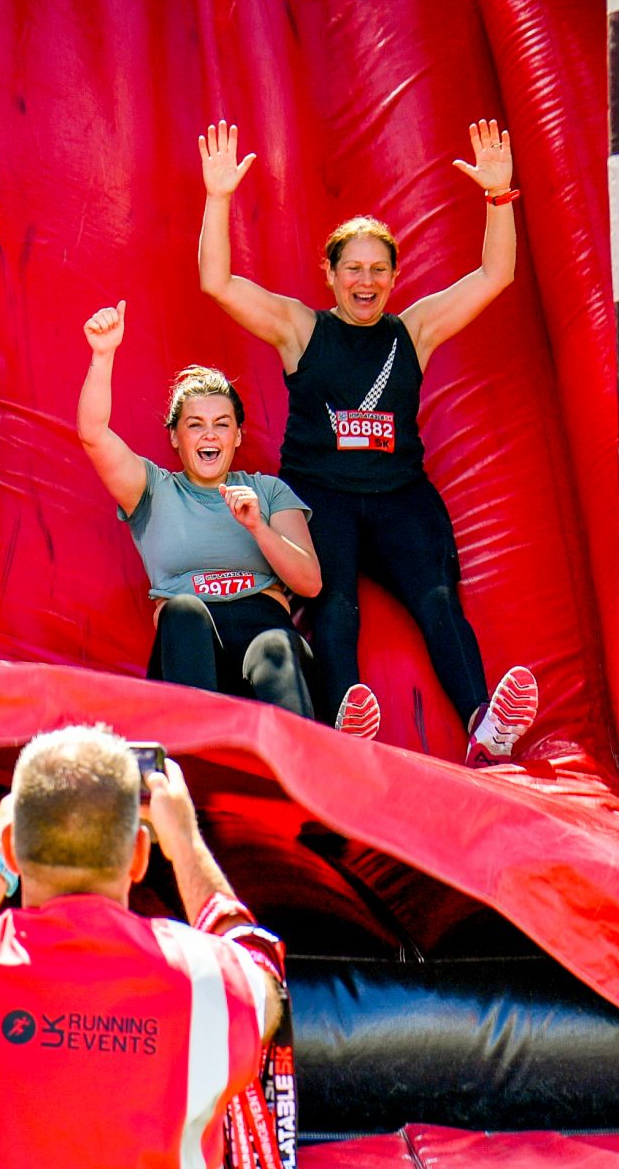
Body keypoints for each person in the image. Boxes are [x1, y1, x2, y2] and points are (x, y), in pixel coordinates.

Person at [197, 117, 540, 760]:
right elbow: (217, 283)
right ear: (330, 275)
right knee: (336, 604)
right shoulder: (302, 329)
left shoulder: (414, 331)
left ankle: (484, 728)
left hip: (399, 494)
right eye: (353, 268)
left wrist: (498, 195)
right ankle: (343, 726)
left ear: (394, 275)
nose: (366, 281)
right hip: (319, 495)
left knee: (438, 598)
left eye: (379, 269)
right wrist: (218, 198)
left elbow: (494, 276)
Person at [0, 726, 294, 1169]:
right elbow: (263, 976)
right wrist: (187, 847)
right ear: (140, 856)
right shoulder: (206, 978)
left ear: (13, 850)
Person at [76, 302, 323, 719]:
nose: (210, 434)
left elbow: (310, 583)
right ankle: (193, 750)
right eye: (195, 425)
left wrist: (258, 527)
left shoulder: (267, 490)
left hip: (264, 633)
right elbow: (93, 435)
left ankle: (307, 747)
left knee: (277, 645)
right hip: (190, 647)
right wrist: (103, 355)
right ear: (175, 437)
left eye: (221, 424)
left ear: (238, 435)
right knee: (183, 611)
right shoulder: (154, 489)